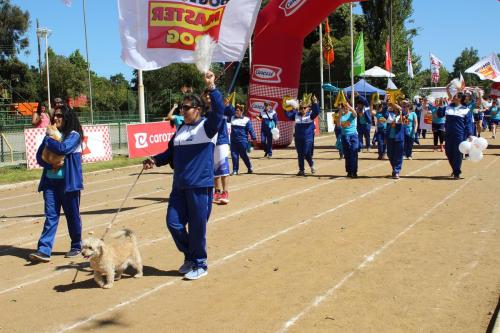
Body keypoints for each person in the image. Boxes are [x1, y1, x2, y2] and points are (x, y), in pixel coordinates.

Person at [143, 71, 223, 280]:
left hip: (199, 185)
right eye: (181, 107)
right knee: (173, 223)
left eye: (186, 107)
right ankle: (191, 257)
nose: (182, 110)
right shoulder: (180, 130)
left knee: (197, 228)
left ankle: (200, 263)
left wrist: (212, 87)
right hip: (179, 186)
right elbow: (170, 152)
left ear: (198, 109)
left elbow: (220, 112)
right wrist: (154, 160)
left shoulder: (207, 127)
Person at [29, 105, 84, 263]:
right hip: (50, 183)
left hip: (69, 184)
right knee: (51, 216)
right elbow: (39, 156)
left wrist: (48, 139)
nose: (56, 118)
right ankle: (44, 250)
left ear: (68, 117)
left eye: (60, 116)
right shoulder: (51, 135)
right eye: (55, 116)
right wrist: (50, 166)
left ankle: (76, 245)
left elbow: (63, 148)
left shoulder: (74, 135)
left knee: (72, 216)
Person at [284, 95, 319, 176]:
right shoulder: (296, 115)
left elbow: (316, 112)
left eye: (304, 108)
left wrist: (315, 103)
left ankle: (311, 164)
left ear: (308, 108)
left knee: (306, 153)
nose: (302, 109)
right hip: (298, 138)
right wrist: (285, 106)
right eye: (301, 108)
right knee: (300, 154)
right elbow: (288, 115)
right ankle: (301, 170)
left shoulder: (310, 115)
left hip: (308, 138)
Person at [443, 86, 472, 179]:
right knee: (448, 153)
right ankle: (455, 169)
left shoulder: (466, 110)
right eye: (454, 96)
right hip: (448, 134)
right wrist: (440, 106)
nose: (454, 97)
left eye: (456, 96)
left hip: (459, 135)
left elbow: (468, 124)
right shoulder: (448, 107)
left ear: (460, 99)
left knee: (458, 153)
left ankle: (456, 172)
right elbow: (439, 114)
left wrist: (470, 134)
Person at [212, 97, 235, 205]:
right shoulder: (206, 110)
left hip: (222, 142)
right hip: (210, 142)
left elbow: (231, 112)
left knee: (223, 169)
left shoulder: (223, 110)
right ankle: (217, 192)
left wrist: (227, 105)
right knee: (214, 169)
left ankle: (225, 192)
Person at [230, 103, 257, 175]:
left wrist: (254, 138)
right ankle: (235, 170)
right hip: (233, 141)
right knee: (234, 155)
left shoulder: (246, 120)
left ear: (242, 112)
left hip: (242, 141)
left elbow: (251, 130)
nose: (236, 112)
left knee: (243, 155)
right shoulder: (232, 118)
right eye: (236, 110)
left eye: (238, 110)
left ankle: (249, 167)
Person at [336, 101, 358, 178]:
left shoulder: (351, 114)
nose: (345, 108)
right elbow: (338, 125)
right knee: (347, 154)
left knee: (354, 152)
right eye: (344, 107)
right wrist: (339, 114)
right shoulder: (341, 116)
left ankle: (354, 171)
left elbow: (355, 114)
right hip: (344, 136)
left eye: (346, 107)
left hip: (353, 135)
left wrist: (350, 107)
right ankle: (349, 171)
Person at [385, 102, 405, 179]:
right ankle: (395, 168)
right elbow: (384, 112)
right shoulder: (389, 115)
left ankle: (396, 171)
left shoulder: (402, 114)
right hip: (390, 138)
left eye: (395, 107)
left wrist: (393, 103)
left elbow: (402, 110)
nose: (394, 108)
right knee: (390, 154)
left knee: (398, 155)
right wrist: (387, 103)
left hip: (399, 138)